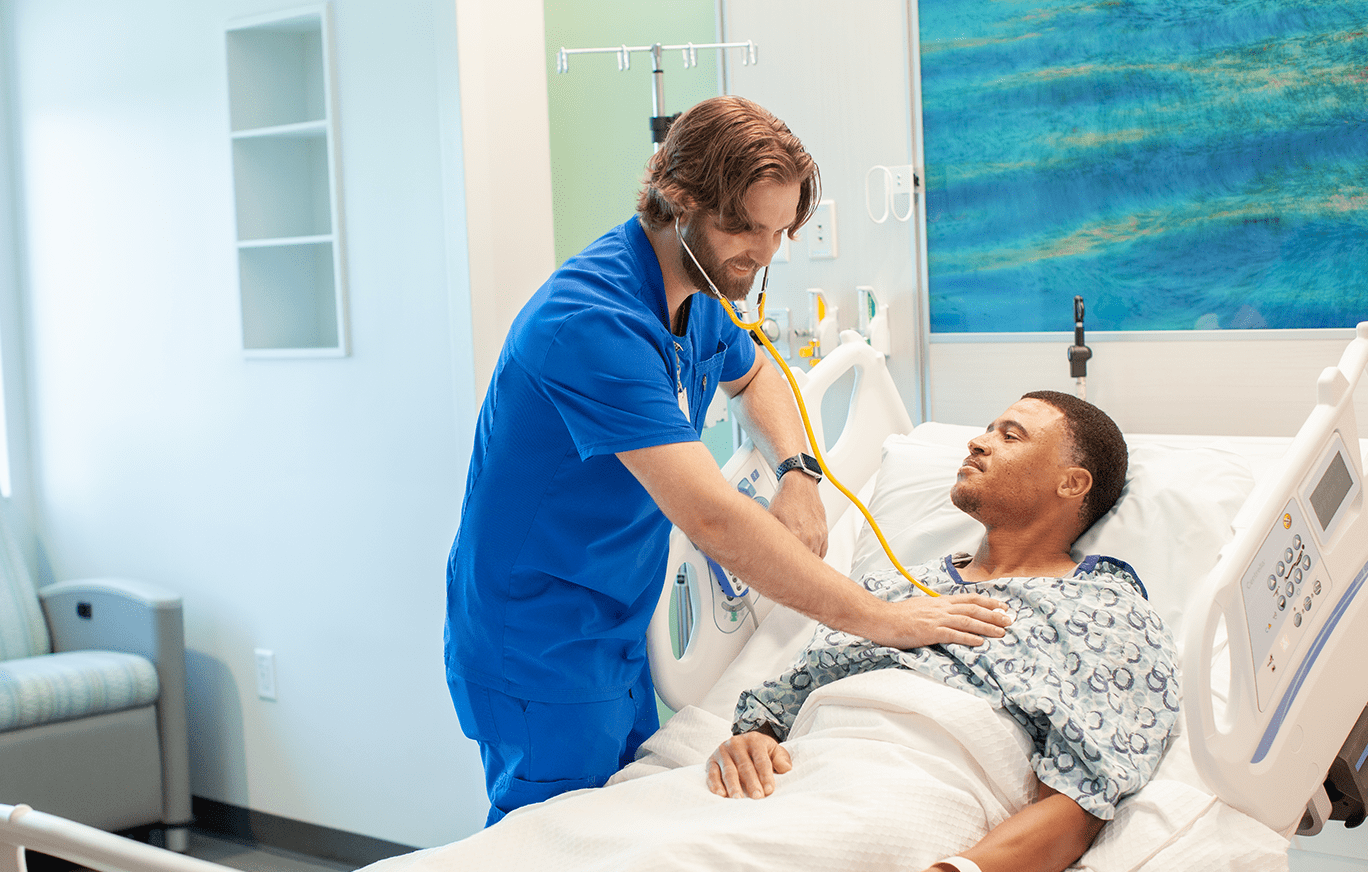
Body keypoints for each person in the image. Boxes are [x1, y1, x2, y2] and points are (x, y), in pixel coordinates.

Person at [445, 95, 1012, 826]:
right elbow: (712, 516)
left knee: (615, 831)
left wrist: (798, 474)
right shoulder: (593, 324)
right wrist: (881, 620)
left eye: (782, 232)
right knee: (552, 844)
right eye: (746, 228)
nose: (766, 253)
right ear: (676, 200)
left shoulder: (697, 291)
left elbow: (759, 375)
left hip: (613, 623)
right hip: (539, 638)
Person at [706, 390, 1179, 872]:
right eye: (987, 429)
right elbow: (784, 700)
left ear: (1072, 483)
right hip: (792, 773)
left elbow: (1080, 801)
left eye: (1010, 435)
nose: (977, 442)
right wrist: (754, 738)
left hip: (918, 787)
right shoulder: (890, 587)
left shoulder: (1107, 610)